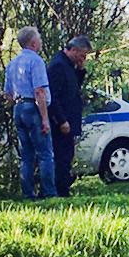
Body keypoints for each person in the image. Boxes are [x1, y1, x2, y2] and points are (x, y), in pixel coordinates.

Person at [4, 26, 57, 199]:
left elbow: (8, 94)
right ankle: (49, 193)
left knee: (26, 155)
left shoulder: (12, 64)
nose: (40, 42)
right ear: (33, 43)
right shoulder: (36, 61)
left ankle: (28, 194)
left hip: (18, 108)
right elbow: (39, 91)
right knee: (45, 154)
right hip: (32, 108)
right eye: (39, 39)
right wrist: (45, 118)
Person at [47, 35, 92, 196]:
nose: (83, 59)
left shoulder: (69, 66)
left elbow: (73, 87)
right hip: (61, 121)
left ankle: (64, 187)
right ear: (73, 49)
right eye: (82, 55)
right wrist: (62, 120)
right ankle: (61, 190)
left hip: (69, 118)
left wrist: (80, 70)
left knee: (67, 155)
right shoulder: (58, 66)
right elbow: (53, 96)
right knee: (62, 156)